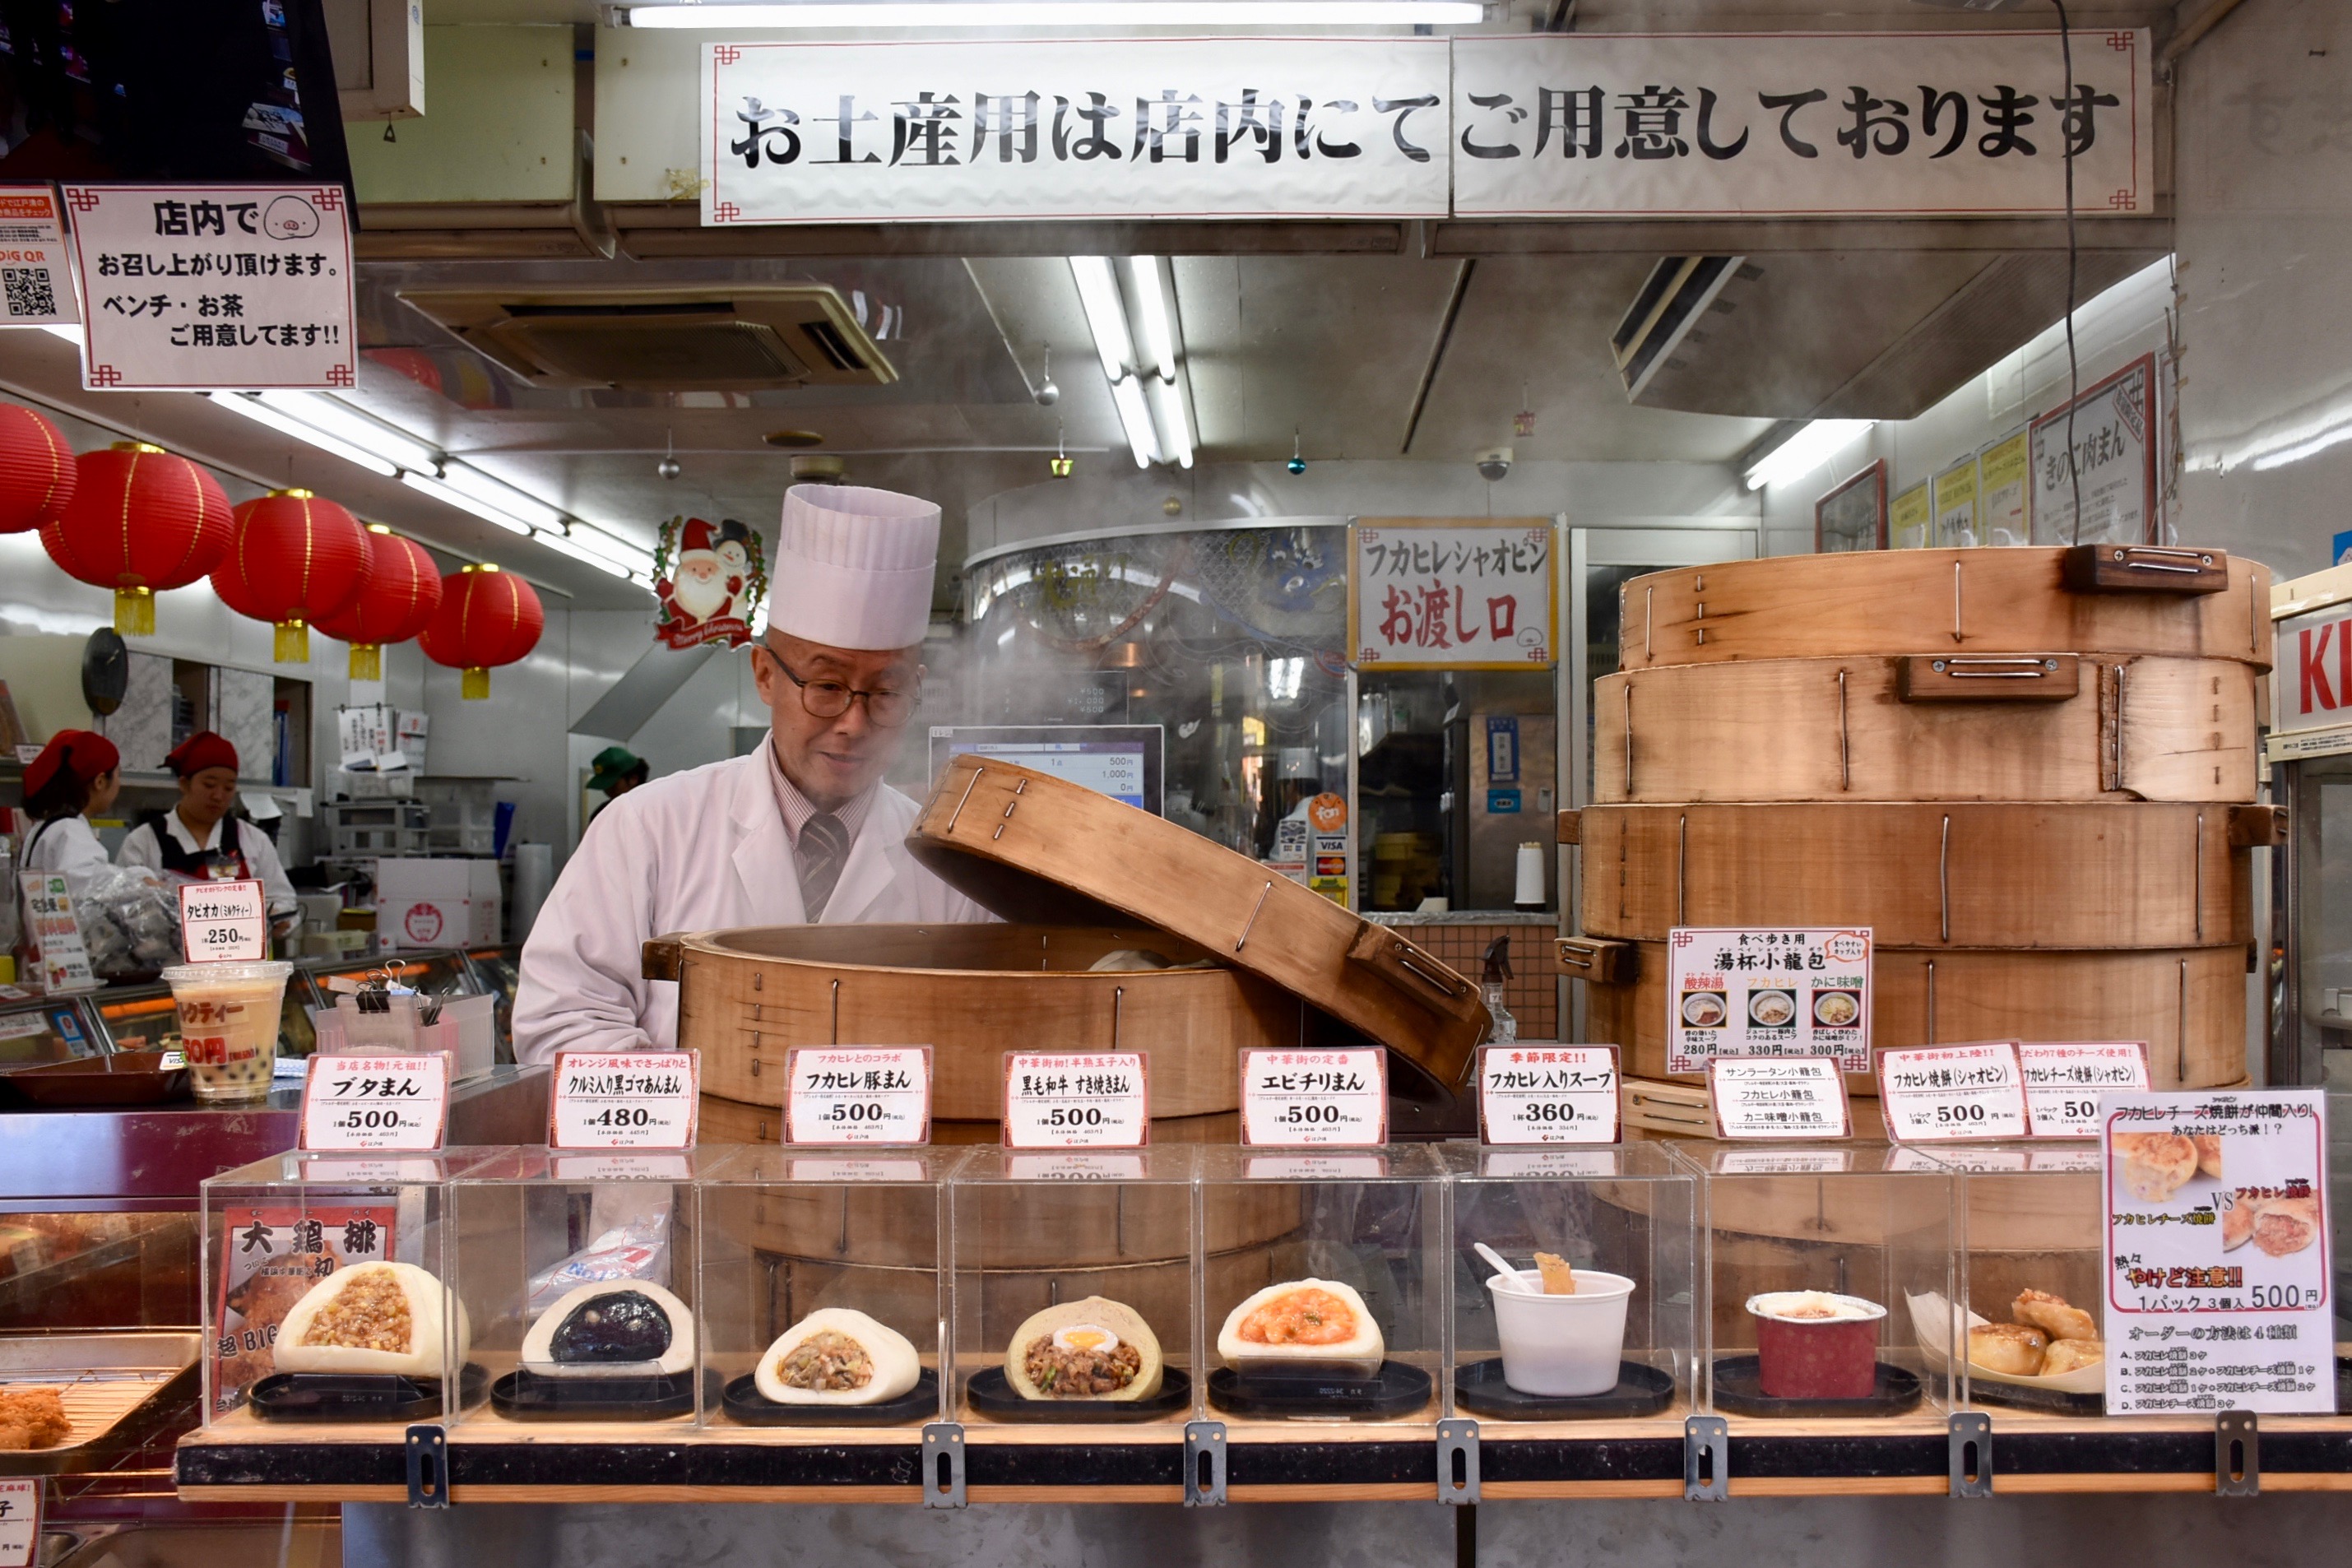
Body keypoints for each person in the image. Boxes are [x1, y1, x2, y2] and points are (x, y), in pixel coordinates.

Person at [514, 484, 991, 1065]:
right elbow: (561, 1022)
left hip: (887, 1154)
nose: (854, 722)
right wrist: (708, 1116)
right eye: (827, 687)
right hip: (686, 1153)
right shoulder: (647, 827)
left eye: (886, 693)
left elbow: (981, 1037)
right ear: (765, 675)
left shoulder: (945, 867)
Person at [116, 731, 299, 935]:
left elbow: (283, 900)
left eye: (229, 788)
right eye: (209, 785)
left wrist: (279, 918)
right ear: (184, 784)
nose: (218, 796)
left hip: (240, 962)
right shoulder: (144, 841)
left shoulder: (253, 840)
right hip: (169, 963)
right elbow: (121, 907)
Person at [19, 730, 121, 883]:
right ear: (100, 782)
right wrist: (142, 880)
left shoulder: (52, 823)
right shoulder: (69, 829)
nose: (119, 784)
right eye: (119, 775)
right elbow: (92, 885)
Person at [587, 746, 649, 821]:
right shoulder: (602, 813)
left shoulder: (654, 809)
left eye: (612, 784)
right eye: (604, 785)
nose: (607, 790)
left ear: (633, 779)